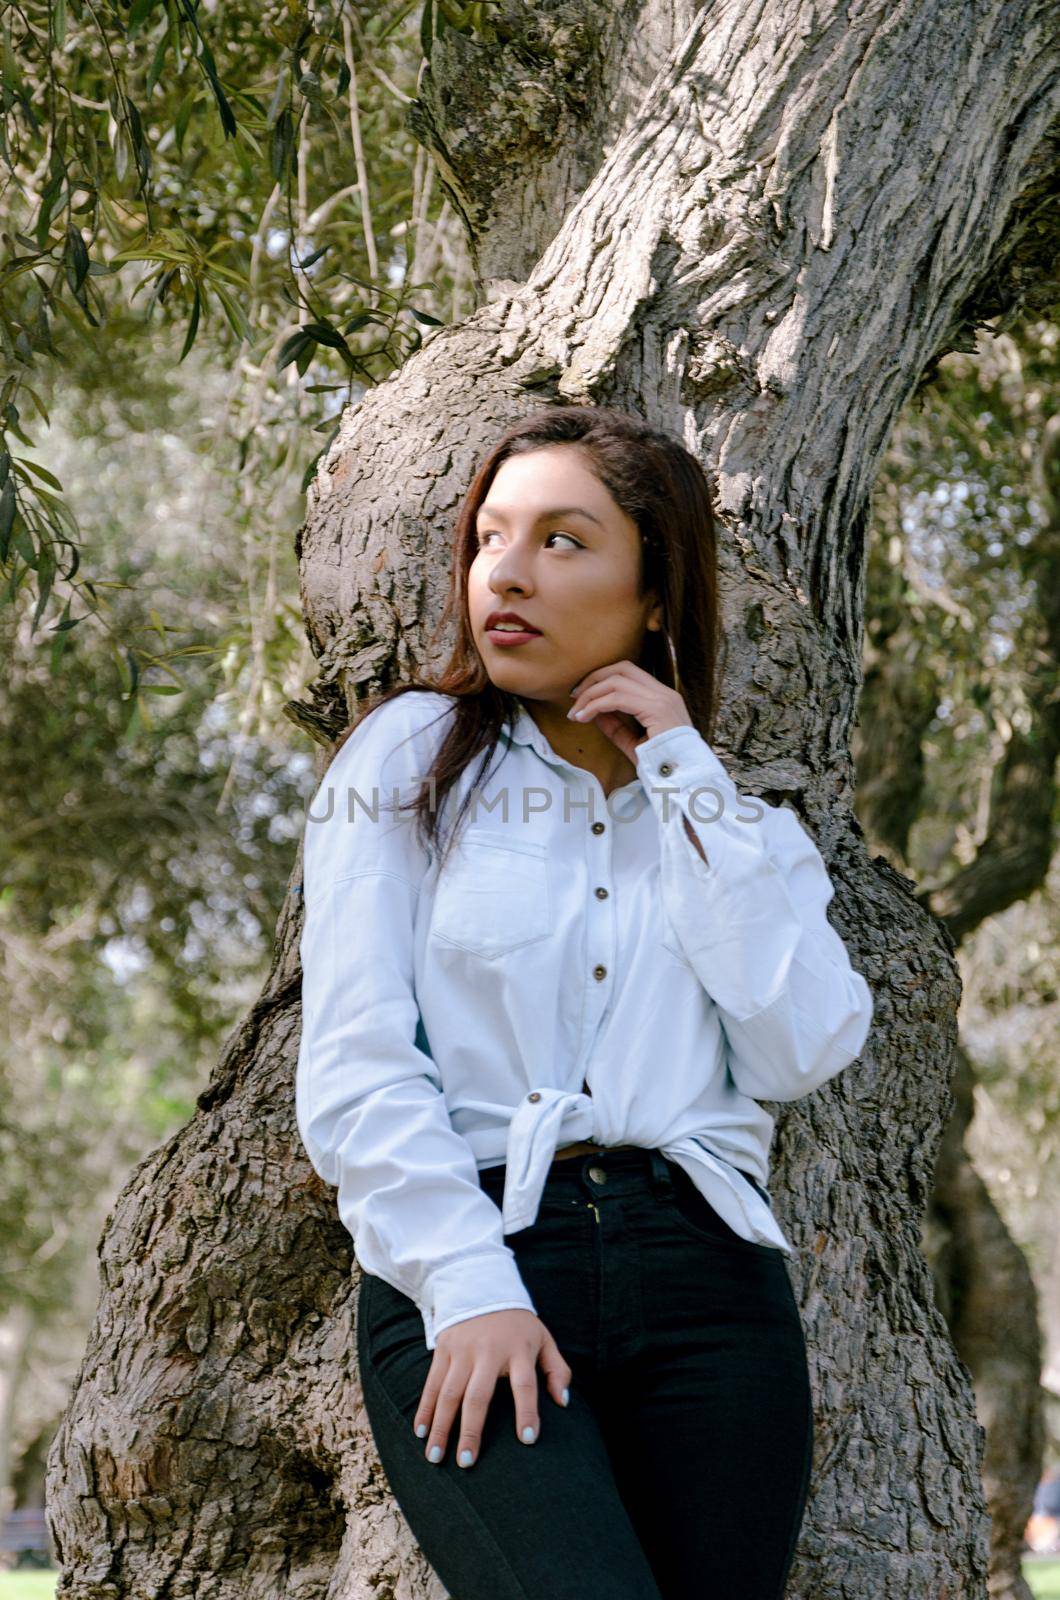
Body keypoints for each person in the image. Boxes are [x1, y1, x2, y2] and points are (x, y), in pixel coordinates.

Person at [296, 405, 874, 1600]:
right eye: (490, 538)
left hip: (711, 1290)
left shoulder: (743, 831)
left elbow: (800, 1044)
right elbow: (356, 1067)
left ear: (655, 594)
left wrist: (682, 771)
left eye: (562, 540)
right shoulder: (407, 762)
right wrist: (470, 1293)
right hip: (484, 1251)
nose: (503, 573)